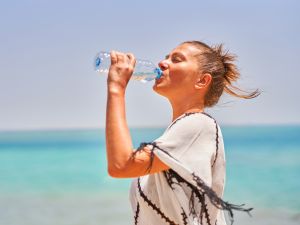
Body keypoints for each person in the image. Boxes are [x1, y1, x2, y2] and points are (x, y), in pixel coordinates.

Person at [105, 40, 260, 225]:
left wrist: (116, 88)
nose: (162, 63)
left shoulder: (199, 125)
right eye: (166, 58)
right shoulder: (176, 137)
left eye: (176, 59)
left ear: (202, 80)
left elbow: (122, 165)